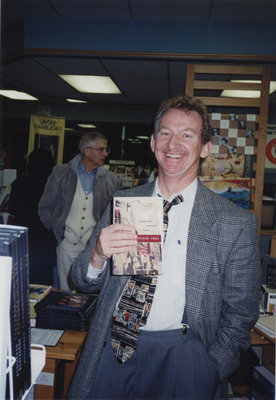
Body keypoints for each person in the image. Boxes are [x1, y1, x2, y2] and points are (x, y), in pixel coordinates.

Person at [67, 96, 261, 400]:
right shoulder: (123, 202)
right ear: (154, 142)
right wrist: (97, 255)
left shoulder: (234, 222)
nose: (174, 144)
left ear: (205, 148)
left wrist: (211, 367)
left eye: (187, 135)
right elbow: (80, 280)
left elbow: (241, 312)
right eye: (166, 133)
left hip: (187, 358)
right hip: (114, 345)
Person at [38, 131, 121, 291]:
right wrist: (58, 231)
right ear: (87, 150)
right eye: (101, 149)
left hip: (94, 248)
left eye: (106, 150)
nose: (105, 154)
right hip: (66, 245)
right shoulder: (61, 173)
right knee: (65, 295)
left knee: (90, 293)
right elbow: (44, 207)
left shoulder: (111, 180)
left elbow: (114, 214)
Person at [8, 148, 56, 285]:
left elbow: (12, 209)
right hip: (45, 239)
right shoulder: (51, 185)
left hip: (24, 238)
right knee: (44, 282)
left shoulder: (18, 183)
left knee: (23, 280)